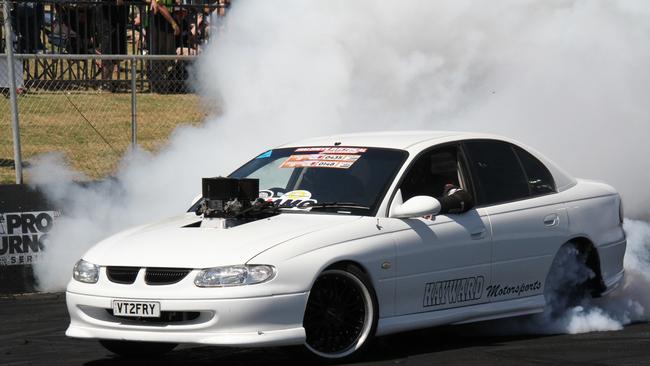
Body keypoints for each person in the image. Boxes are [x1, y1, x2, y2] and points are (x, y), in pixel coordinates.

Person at [95, 0, 128, 91]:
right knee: (108, 50)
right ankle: (105, 82)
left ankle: (111, 81)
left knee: (116, 50)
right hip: (106, 19)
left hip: (119, 18)